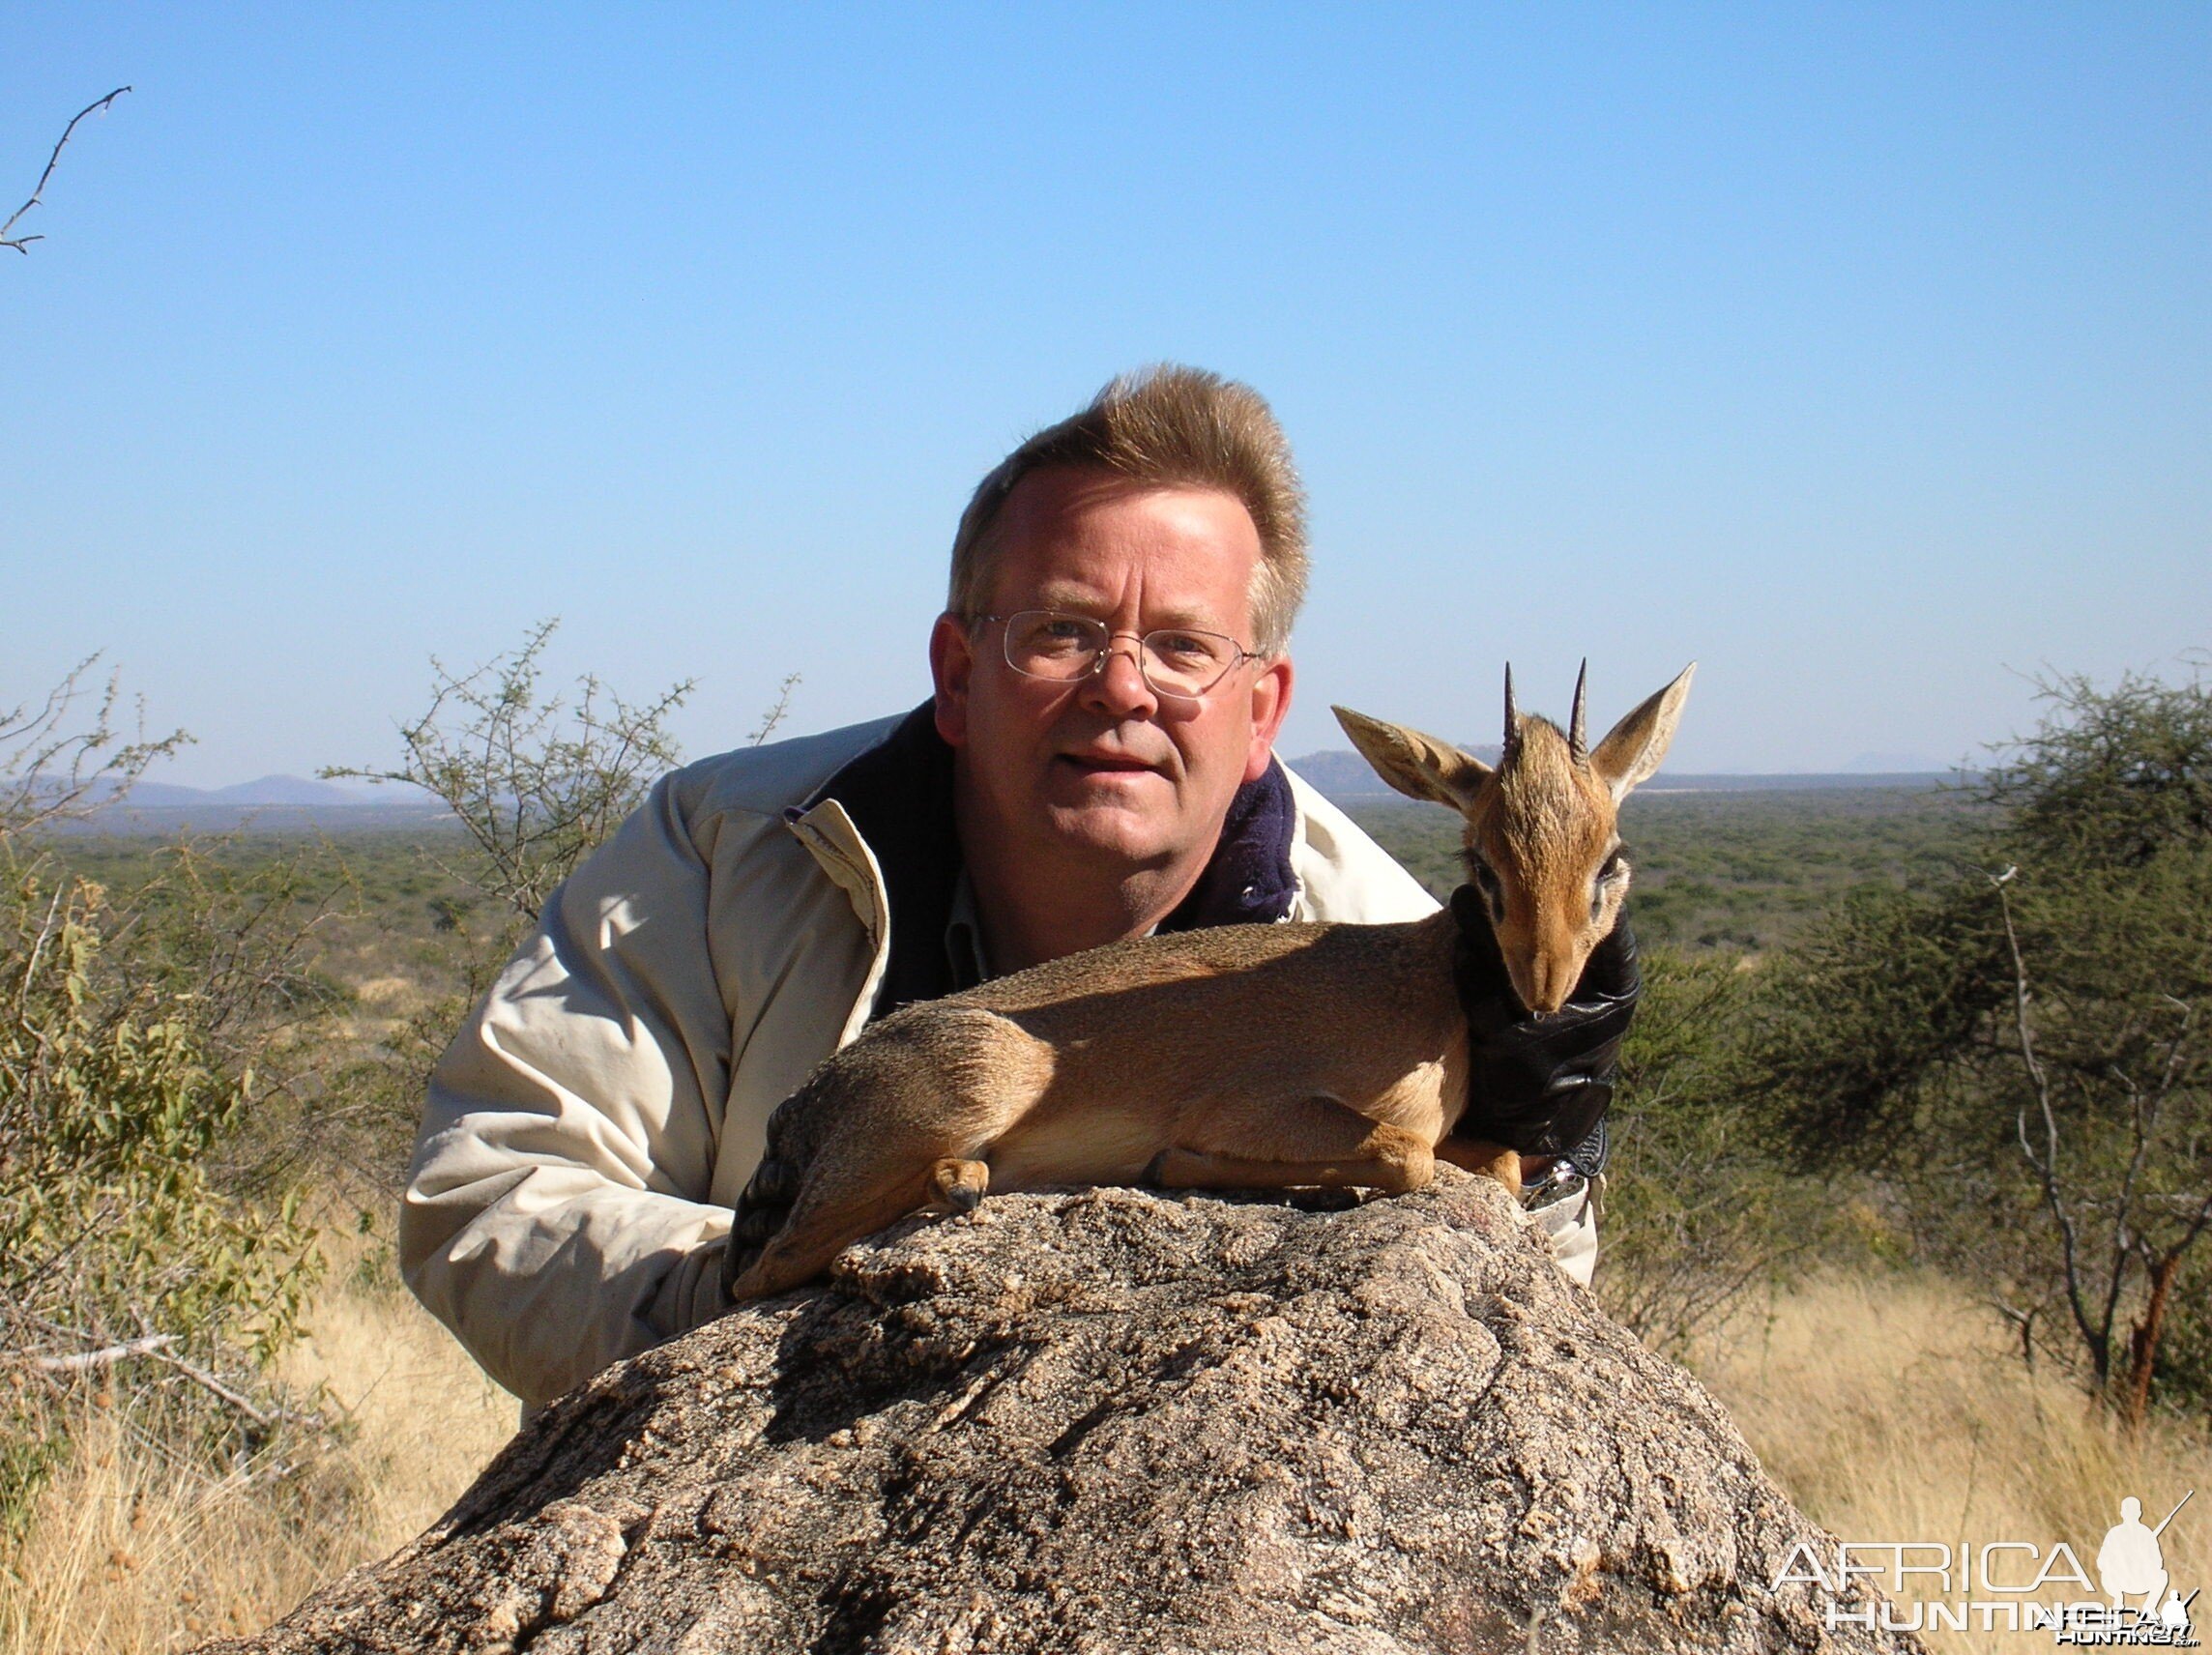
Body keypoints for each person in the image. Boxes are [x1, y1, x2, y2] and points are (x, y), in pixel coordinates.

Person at [400, 365, 1637, 1410]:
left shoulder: (1379, 927)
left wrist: (1540, 1135)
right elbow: (485, 1194)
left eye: (1183, 647)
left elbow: (1529, 1295)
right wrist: (763, 1306)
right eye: (1059, 631)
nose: (1122, 688)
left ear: (1263, 708)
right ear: (955, 666)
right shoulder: (720, 849)